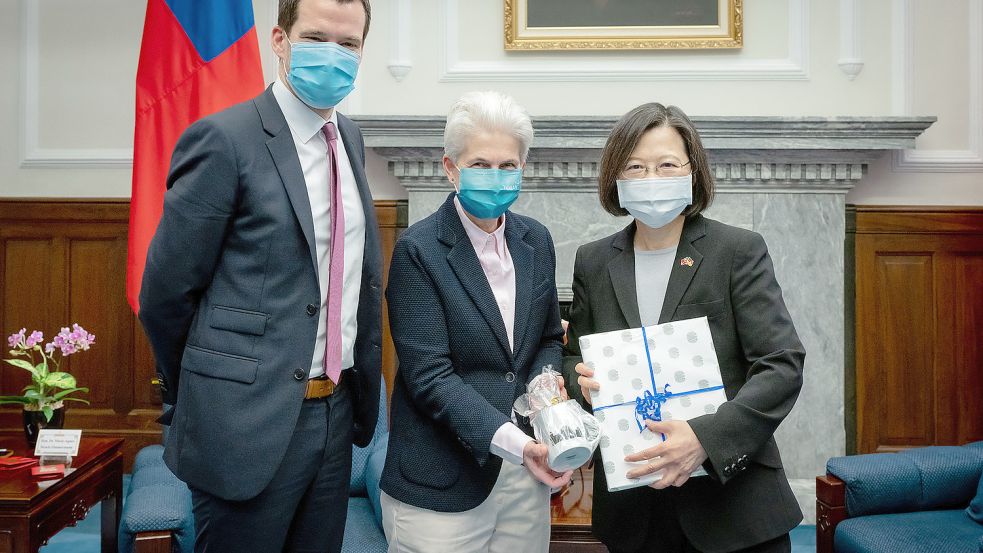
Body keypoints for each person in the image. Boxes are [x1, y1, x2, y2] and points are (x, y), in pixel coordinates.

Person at [138, 1, 381, 551]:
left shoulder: (351, 138)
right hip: (243, 424)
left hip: (335, 416)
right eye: (317, 38)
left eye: (349, 44)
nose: (334, 56)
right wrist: (206, 394)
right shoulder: (224, 140)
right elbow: (165, 295)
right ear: (279, 39)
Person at [562, 103, 805, 553]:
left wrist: (704, 439)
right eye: (635, 166)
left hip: (735, 509)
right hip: (636, 512)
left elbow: (781, 365)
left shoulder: (737, 250)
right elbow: (574, 355)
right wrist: (586, 386)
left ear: (693, 172)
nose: (651, 178)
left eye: (667, 165)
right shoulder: (593, 261)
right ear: (616, 176)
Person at [379, 91, 572, 553]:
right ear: (451, 167)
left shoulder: (535, 240)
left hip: (526, 474)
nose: (496, 177)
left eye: (508, 166)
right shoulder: (418, 250)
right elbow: (430, 377)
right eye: (481, 164)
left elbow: (546, 337)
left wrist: (548, 410)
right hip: (442, 482)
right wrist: (519, 445)